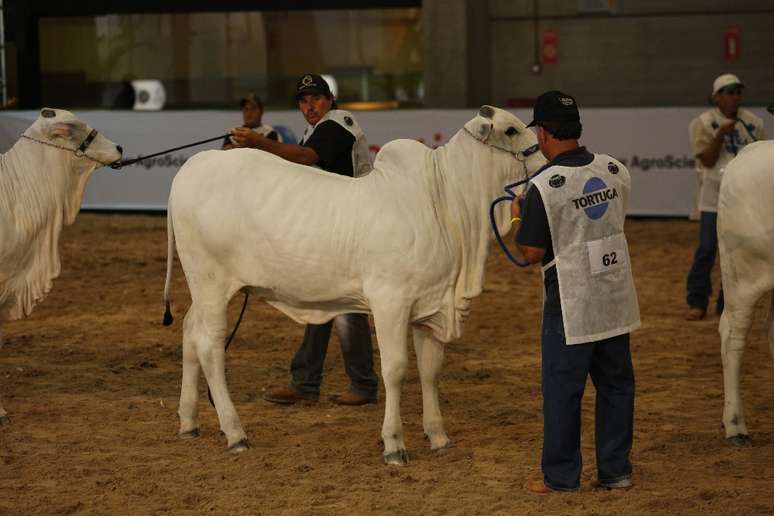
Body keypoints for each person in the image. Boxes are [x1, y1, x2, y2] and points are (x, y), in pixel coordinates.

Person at [510, 90, 640, 494]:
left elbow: (530, 253)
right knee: (617, 385)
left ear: (544, 133)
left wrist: (518, 216)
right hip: (615, 296)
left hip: (572, 301)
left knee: (563, 391)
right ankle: (615, 471)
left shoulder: (544, 185)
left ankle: (562, 477)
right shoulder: (615, 169)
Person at [229, 74, 377, 406]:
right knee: (323, 301)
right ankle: (309, 382)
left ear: (330, 100)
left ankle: (359, 384)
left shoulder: (339, 123)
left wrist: (258, 143)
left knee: (346, 305)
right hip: (335, 226)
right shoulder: (318, 128)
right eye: (303, 101)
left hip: (352, 227)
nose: (309, 106)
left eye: (315, 99)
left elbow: (305, 157)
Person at [685, 73, 766, 320]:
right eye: (729, 92)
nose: (735, 97)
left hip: (745, 201)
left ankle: (726, 305)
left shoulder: (754, 122)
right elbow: (707, 160)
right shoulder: (703, 122)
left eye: (738, 92)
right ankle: (697, 301)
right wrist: (720, 134)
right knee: (707, 250)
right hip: (714, 198)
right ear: (716, 97)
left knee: (738, 253)